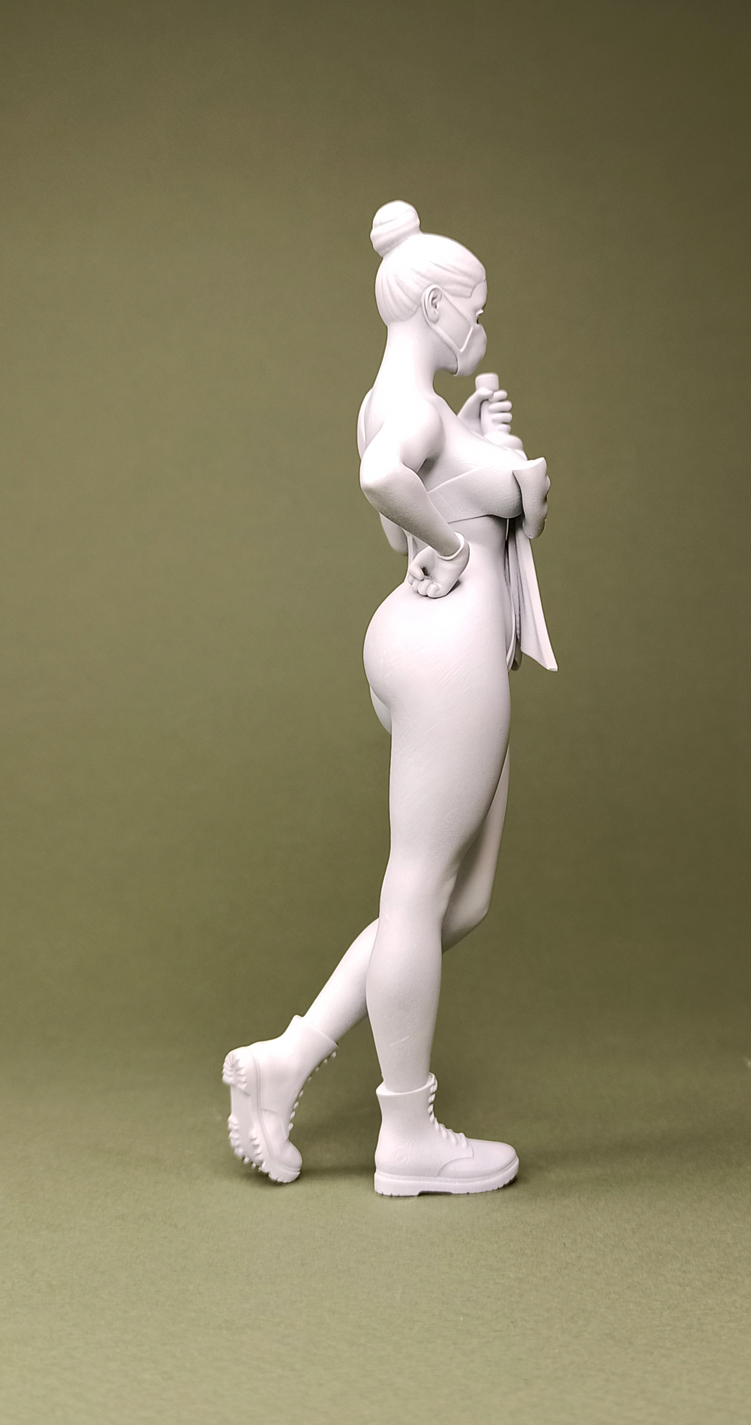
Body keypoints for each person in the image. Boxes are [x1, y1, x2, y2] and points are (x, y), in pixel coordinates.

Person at [223, 200, 556, 1196]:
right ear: (437, 306)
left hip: (427, 646)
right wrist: (453, 545)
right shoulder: (408, 412)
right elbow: (387, 486)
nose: (481, 325)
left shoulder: (396, 402)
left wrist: (477, 445)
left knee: (458, 899)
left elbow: (402, 513)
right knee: (416, 889)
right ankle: (407, 1135)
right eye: (476, 307)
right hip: (448, 651)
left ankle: (287, 1059)